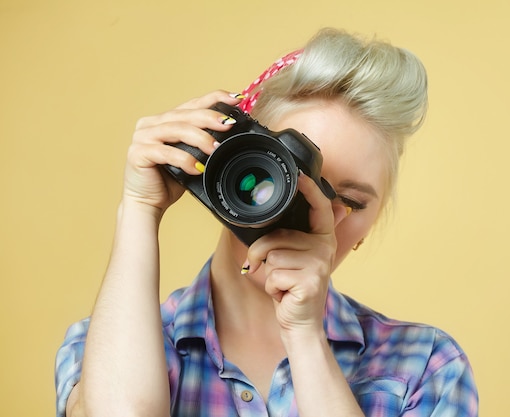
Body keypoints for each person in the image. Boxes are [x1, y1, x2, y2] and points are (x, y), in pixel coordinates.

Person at [55, 28, 478, 417]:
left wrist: (305, 335)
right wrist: (139, 208)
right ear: (228, 162)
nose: (315, 216)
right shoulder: (105, 342)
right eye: (287, 177)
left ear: (372, 223)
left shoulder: (426, 365)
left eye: (347, 202)